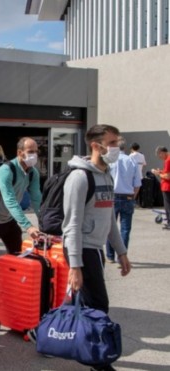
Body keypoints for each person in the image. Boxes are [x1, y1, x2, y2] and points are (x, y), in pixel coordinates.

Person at [62, 125, 132, 371]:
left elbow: (110, 218)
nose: (116, 147)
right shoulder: (79, 177)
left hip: (96, 249)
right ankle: (98, 362)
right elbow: (71, 225)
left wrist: (121, 251)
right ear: (96, 145)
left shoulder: (107, 175)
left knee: (83, 303)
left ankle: (55, 335)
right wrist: (75, 265)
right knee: (98, 306)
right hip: (82, 249)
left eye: (117, 142)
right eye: (112, 143)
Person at [0, 137, 42, 308]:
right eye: (30, 152)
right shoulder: (6, 170)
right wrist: (27, 225)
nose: (34, 155)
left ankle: (15, 293)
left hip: (9, 221)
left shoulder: (32, 173)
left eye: (36, 151)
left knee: (18, 257)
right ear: (20, 153)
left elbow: (36, 199)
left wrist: (44, 223)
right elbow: (10, 200)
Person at [105, 136, 142, 263]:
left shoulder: (108, 161)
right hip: (127, 197)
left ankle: (110, 255)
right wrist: (133, 197)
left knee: (109, 228)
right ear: (124, 147)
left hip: (111, 197)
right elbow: (137, 183)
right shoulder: (131, 161)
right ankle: (122, 256)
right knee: (125, 229)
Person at [152, 146, 170, 230]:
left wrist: (158, 174)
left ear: (162, 152)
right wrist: (161, 172)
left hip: (167, 187)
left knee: (168, 206)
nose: (159, 157)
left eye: (159, 155)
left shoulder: (167, 160)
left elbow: (168, 176)